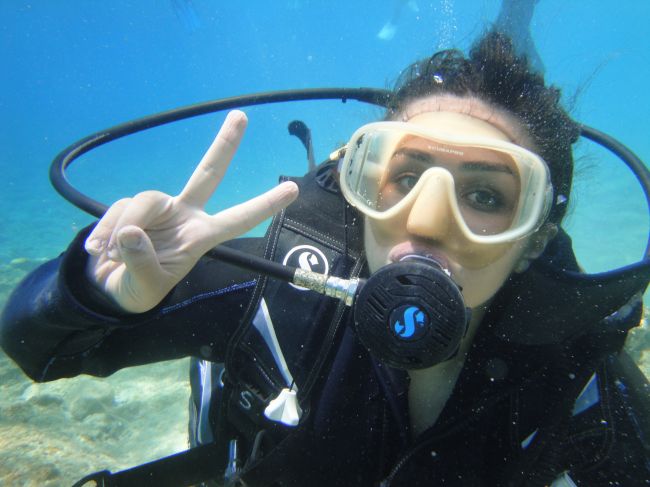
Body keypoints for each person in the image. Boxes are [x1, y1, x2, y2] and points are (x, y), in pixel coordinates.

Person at [2, 31, 649, 486]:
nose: (427, 221)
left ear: (534, 238)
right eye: (404, 178)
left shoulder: (578, 376)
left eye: (485, 195)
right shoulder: (281, 293)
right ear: (357, 187)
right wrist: (97, 291)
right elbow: (41, 351)